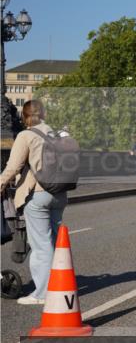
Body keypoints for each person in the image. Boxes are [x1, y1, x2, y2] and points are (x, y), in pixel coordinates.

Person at [0, 101, 70, 305]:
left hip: (37, 193)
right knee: (58, 242)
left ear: (24, 116)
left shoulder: (26, 135)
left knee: (41, 245)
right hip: (59, 193)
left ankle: (42, 293)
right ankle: (63, 283)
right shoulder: (54, 135)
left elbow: (13, 167)